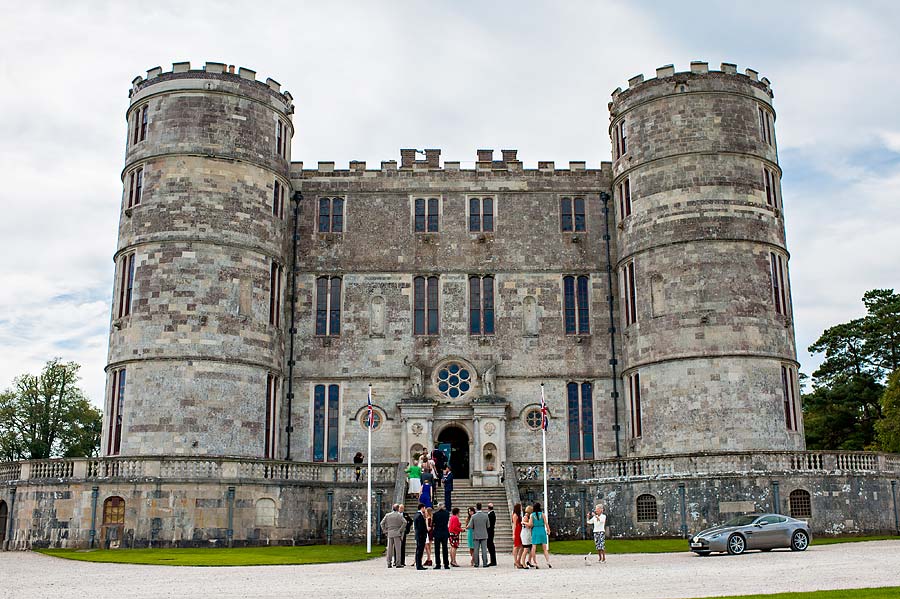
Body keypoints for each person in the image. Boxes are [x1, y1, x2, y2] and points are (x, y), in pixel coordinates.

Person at [380, 503, 406, 568]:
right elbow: (405, 522)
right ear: (397, 508)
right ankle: (398, 563)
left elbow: (381, 523)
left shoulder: (387, 515)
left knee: (389, 549)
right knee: (398, 549)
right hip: (397, 533)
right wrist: (400, 530)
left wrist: (385, 531)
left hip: (390, 533)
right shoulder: (399, 515)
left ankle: (389, 563)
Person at [529, 502, 552, 568]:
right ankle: (548, 561)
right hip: (542, 530)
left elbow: (531, 524)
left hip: (535, 531)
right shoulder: (542, 514)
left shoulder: (532, 515)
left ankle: (535, 562)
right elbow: (546, 523)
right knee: (544, 548)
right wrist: (548, 530)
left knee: (534, 547)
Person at [468, 503, 490, 567]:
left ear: (476, 508)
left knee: (476, 550)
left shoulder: (473, 516)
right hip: (484, 534)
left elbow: (471, 526)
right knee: (484, 550)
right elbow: (488, 525)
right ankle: (485, 563)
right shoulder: (486, 516)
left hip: (476, 535)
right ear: (481, 507)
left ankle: (476, 563)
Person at [432, 502, 451, 569]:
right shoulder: (447, 513)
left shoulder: (435, 514)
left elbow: (433, 523)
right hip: (444, 532)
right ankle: (446, 564)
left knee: (437, 549)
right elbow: (447, 521)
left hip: (437, 532)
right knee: (445, 548)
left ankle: (438, 564)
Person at [414, 503, 428, 570]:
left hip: (419, 535)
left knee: (419, 550)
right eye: (424, 508)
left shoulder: (417, 515)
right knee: (420, 551)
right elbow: (420, 527)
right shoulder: (419, 516)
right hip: (421, 536)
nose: (424, 509)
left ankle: (418, 564)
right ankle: (419, 565)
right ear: (422, 508)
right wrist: (425, 532)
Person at [511, 503, 524, 569]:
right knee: (516, 546)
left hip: (520, 530)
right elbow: (514, 525)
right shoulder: (515, 515)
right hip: (517, 531)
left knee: (521, 546)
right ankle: (516, 561)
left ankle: (518, 560)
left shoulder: (519, 515)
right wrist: (513, 534)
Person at [486, 502, 497, 566]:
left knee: (490, 545)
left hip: (489, 531)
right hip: (490, 531)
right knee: (490, 545)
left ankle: (493, 561)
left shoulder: (491, 514)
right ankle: (493, 560)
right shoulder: (491, 514)